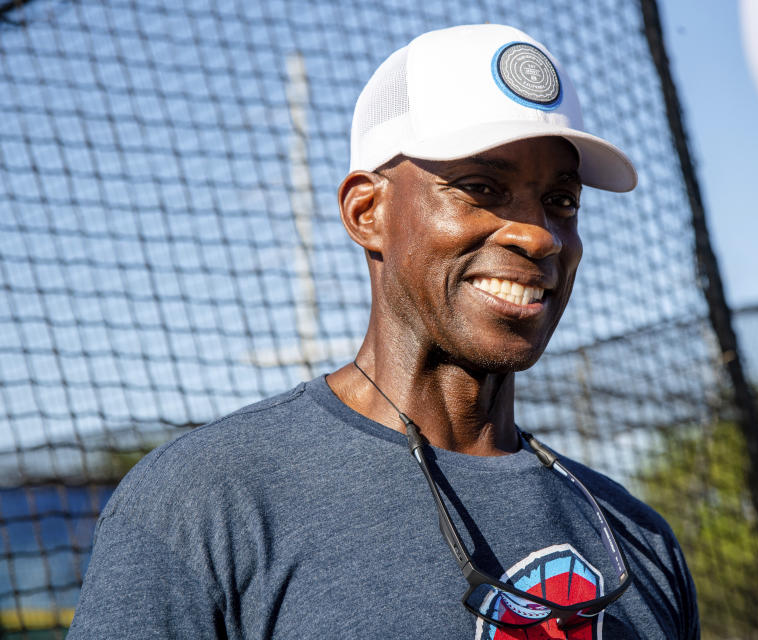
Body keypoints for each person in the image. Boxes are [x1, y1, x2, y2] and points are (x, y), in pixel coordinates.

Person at [69, 24, 699, 639]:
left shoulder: (636, 539)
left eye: (562, 201)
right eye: (481, 188)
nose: (538, 235)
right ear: (365, 212)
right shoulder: (203, 502)